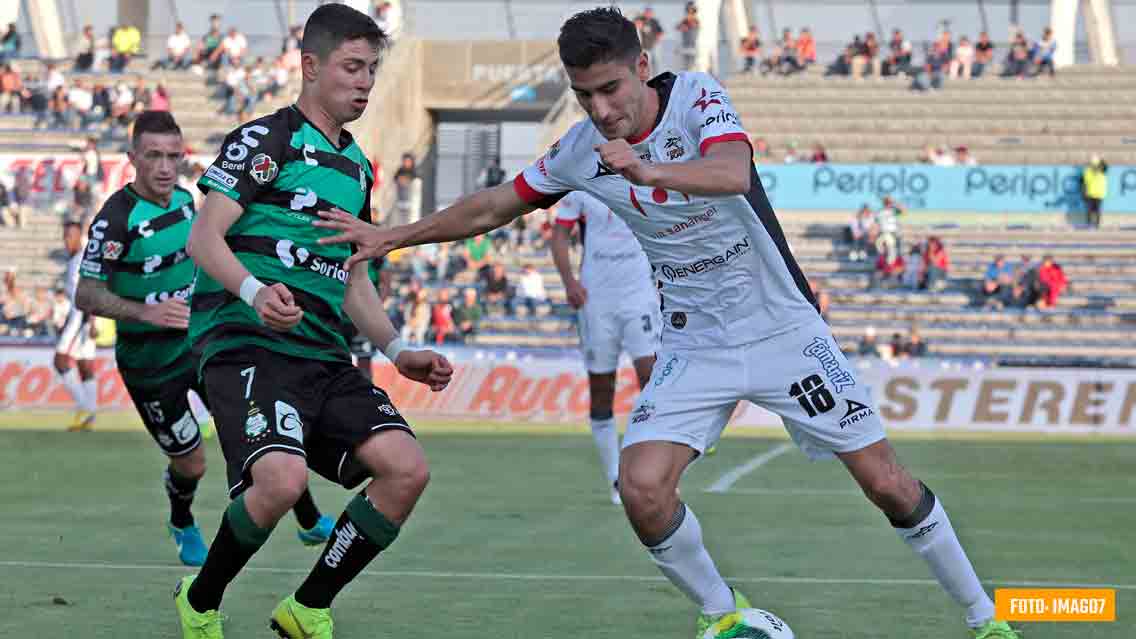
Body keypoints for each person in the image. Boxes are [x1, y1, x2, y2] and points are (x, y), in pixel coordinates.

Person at [314, 8, 1021, 639]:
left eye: (612, 88)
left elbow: (734, 171)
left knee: (887, 483)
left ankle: (984, 620)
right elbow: (494, 206)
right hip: (694, 346)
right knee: (643, 486)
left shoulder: (698, 97)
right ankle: (727, 613)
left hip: (783, 331)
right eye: (584, 94)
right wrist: (393, 236)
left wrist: (648, 171)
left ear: (643, 69)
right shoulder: (581, 152)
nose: (600, 107)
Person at [175, 6, 453, 638]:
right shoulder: (265, 139)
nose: (363, 83)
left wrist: (397, 347)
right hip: (248, 342)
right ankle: (201, 599)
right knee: (281, 480)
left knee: (406, 468)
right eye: (351, 67)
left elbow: (353, 277)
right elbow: (203, 237)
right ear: (310, 66)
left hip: (322, 355)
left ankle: (307, 608)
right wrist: (252, 292)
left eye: (371, 71)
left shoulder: (358, 168)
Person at [76, 110, 336, 568]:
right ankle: (181, 520)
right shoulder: (115, 219)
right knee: (192, 463)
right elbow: (86, 293)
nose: (163, 166)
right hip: (150, 366)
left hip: (200, 345)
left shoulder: (184, 200)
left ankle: (309, 519)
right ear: (133, 157)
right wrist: (146, 312)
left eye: (173, 156)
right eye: (153, 156)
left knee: (258, 431)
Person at [550, 191, 660, 504]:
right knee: (601, 390)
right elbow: (559, 235)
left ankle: (652, 472)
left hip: (639, 295)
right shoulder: (580, 185)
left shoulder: (644, 172)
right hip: (595, 299)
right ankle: (615, 478)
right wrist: (569, 282)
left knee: (652, 384)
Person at [54, 221, 99, 430]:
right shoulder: (77, 259)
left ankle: (85, 409)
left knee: (60, 360)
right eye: (64, 236)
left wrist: (90, 321)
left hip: (80, 315)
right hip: (83, 314)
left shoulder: (79, 260)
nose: (66, 240)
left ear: (79, 236)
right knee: (84, 365)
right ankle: (90, 416)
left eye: (70, 235)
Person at [1082, 155, 1107, 227]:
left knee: (1097, 211)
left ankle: (1096, 224)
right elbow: (1084, 183)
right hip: (1090, 193)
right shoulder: (1087, 171)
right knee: (1089, 211)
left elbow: (1105, 166)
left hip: (1099, 194)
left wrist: (1100, 160)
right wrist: (1084, 192)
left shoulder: (1101, 170)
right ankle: (1089, 224)